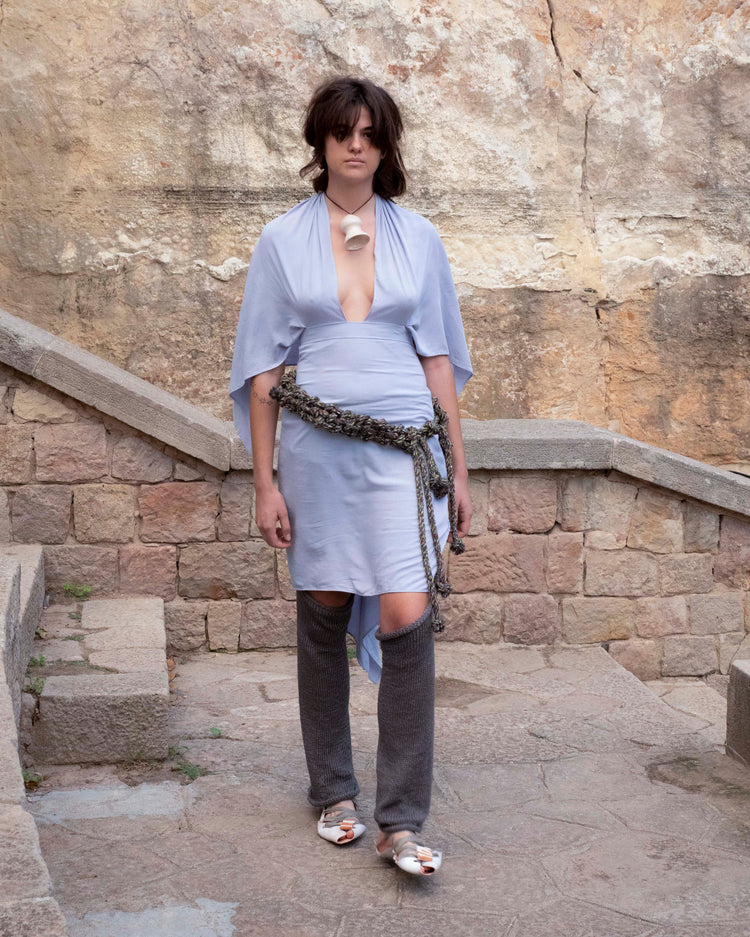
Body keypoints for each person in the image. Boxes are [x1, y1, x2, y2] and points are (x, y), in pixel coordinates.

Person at [229, 75, 472, 876]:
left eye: (370, 133)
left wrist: (460, 469)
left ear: (386, 144)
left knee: (407, 614)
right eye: (343, 132)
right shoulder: (281, 240)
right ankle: (333, 790)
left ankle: (401, 819)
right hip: (318, 453)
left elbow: (438, 359)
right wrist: (264, 482)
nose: (356, 145)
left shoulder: (420, 237)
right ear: (322, 142)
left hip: (405, 453)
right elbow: (264, 372)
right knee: (325, 607)